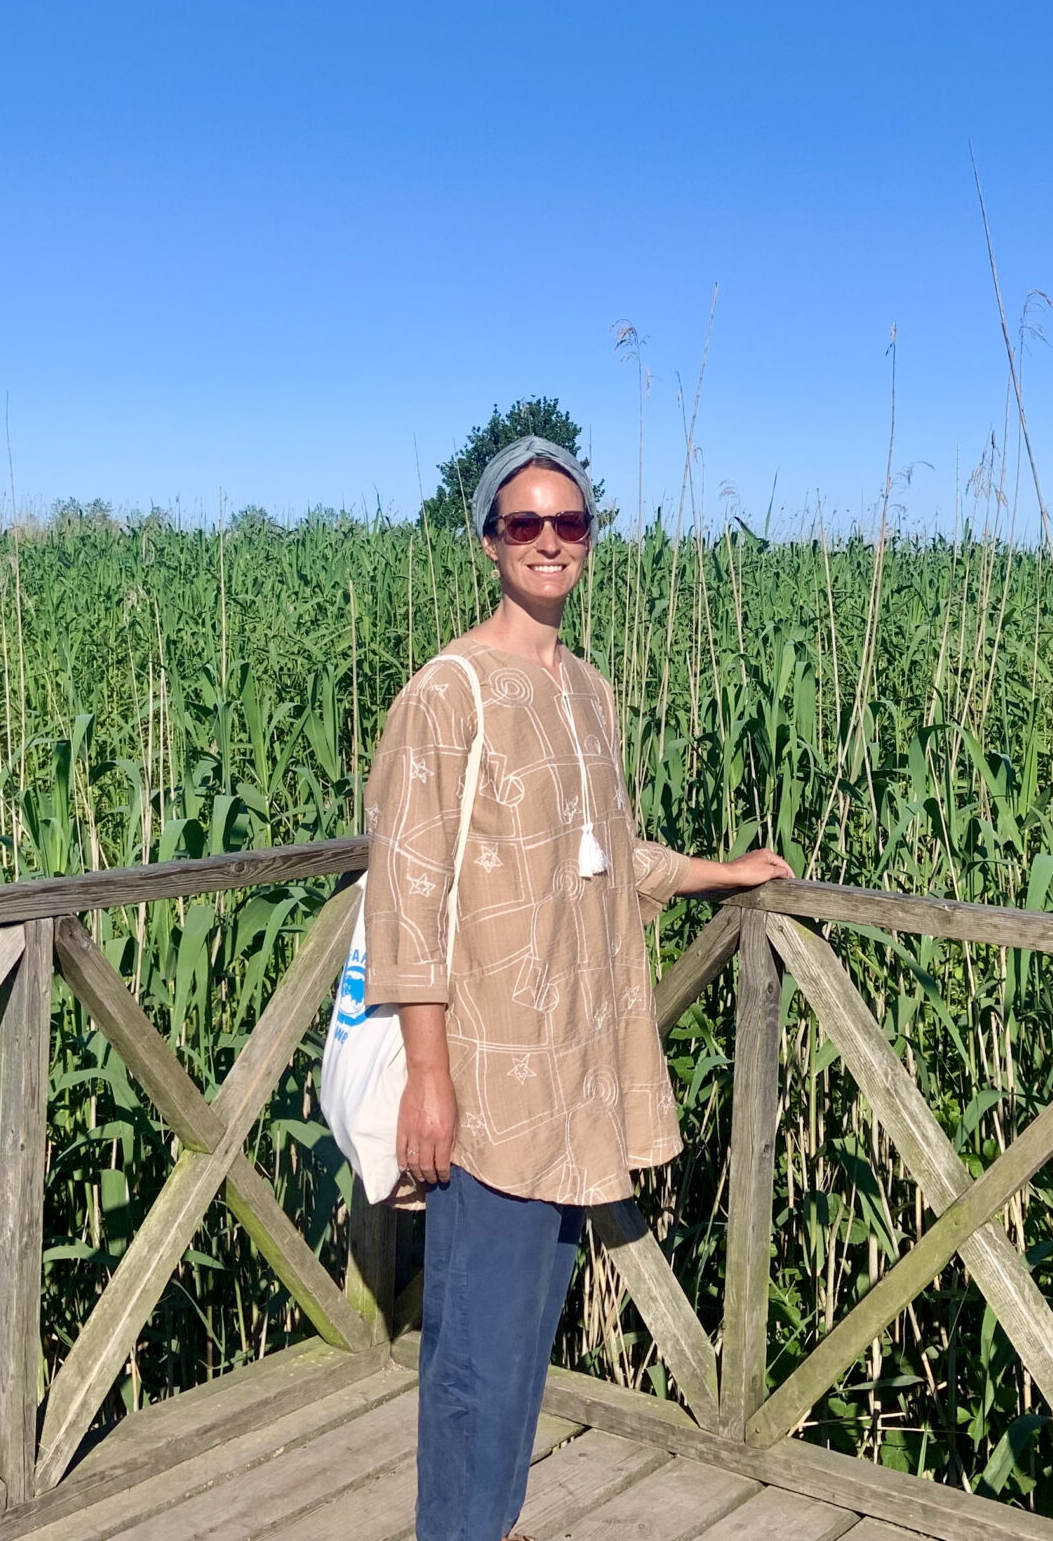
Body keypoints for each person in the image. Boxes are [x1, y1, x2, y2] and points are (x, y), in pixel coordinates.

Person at [361, 435, 792, 1541]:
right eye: (524, 525)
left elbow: (608, 855)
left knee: (518, 1350)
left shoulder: (588, 691)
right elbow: (406, 903)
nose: (548, 543)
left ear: (590, 539)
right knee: (475, 1358)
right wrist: (426, 1080)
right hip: (486, 1075)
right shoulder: (446, 693)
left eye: (570, 524)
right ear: (488, 541)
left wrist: (719, 874)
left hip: (575, 1071)